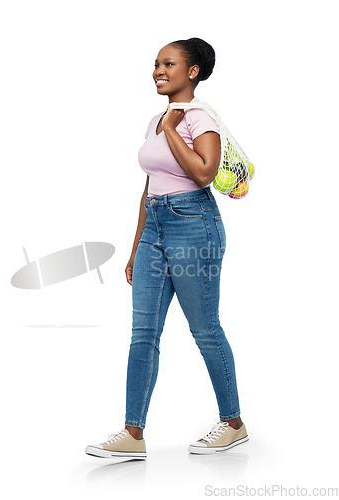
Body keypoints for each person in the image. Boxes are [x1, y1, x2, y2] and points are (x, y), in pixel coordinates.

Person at [85, 38, 248, 459]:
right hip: (155, 226)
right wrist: (137, 244)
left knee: (205, 329)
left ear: (192, 71)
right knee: (143, 334)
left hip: (194, 226)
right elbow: (149, 186)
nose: (158, 70)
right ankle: (132, 435)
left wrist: (174, 129)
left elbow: (204, 173)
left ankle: (233, 424)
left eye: (168, 63)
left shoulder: (198, 117)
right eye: (156, 63)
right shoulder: (155, 119)